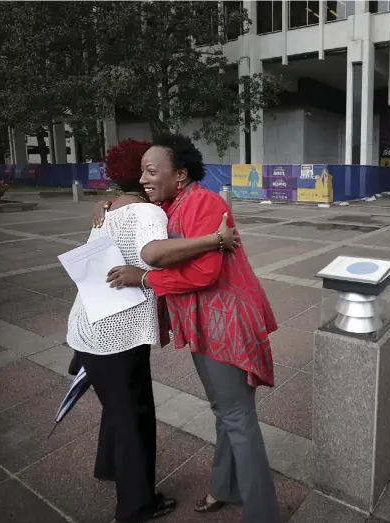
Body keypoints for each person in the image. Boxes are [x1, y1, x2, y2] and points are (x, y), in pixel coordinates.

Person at [96, 133, 281, 523]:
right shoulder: (171, 205)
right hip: (206, 324)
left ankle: (262, 513)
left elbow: (204, 271)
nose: (143, 178)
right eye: (140, 172)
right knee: (226, 411)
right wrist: (108, 203)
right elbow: (130, 202)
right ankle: (225, 487)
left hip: (226, 323)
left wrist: (143, 279)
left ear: (179, 175)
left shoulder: (202, 201)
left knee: (238, 418)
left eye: (151, 171)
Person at [67, 146, 239, 523]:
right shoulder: (145, 211)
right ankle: (136, 506)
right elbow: (155, 253)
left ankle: (109, 466)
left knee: (116, 406)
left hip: (87, 326)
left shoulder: (109, 210)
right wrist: (215, 239)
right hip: (118, 331)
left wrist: (108, 201)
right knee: (134, 415)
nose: (148, 179)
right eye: (144, 171)